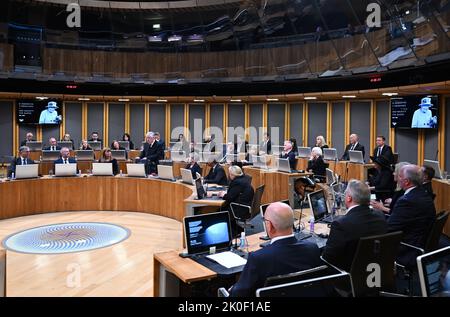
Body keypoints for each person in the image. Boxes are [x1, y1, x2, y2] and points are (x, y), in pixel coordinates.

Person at [229, 202, 321, 297]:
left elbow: (238, 294)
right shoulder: (312, 248)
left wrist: (232, 289)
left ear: (270, 225)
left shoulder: (259, 258)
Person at [322, 180, 388, 271]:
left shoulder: (341, 224)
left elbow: (327, 258)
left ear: (349, 198)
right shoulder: (380, 215)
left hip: (348, 277)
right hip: (377, 272)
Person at [388, 164, 436, 267]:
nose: (397, 178)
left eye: (400, 176)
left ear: (406, 181)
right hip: (419, 241)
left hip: (407, 247)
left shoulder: (407, 201)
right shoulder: (423, 194)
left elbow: (390, 228)